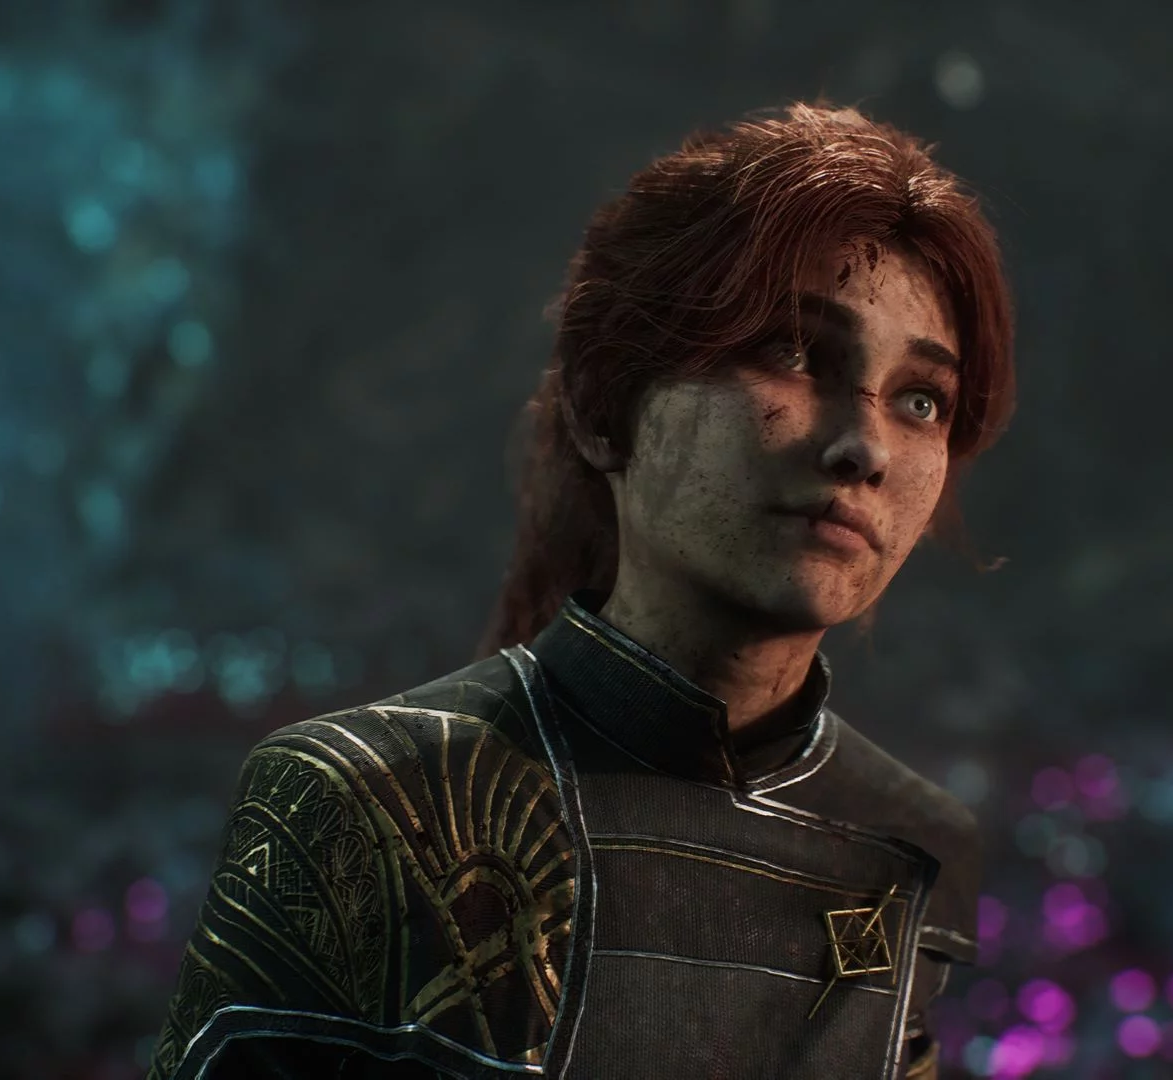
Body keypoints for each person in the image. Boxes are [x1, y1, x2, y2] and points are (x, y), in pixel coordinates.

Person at [146, 101, 1017, 1080]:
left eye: (921, 400)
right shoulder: (363, 802)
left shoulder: (915, 842)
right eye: (790, 351)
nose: (865, 447)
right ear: (607, 407)